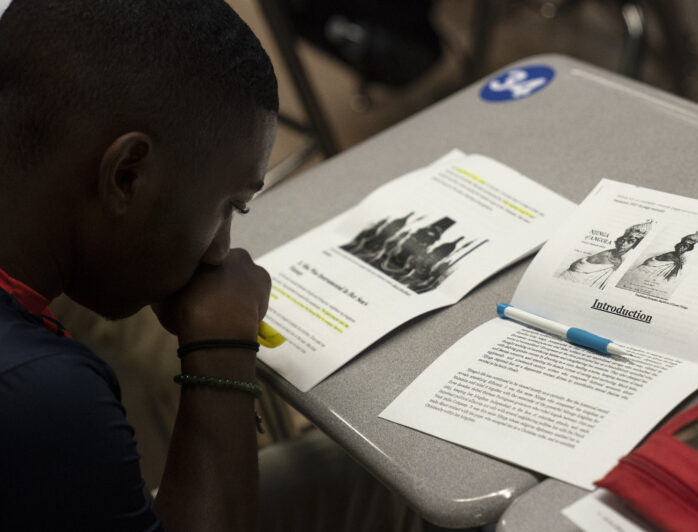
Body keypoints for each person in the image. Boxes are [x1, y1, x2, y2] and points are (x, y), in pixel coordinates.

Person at [0, 2, 417, 530]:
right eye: (231, 206)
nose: (221, 250)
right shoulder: (47, 395)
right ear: (127, 175)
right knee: (387, 488)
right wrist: (219, 350)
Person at [557, 220, 651, 289]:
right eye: (623, 239)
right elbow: (578, 272)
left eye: (630, 241)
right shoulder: (607, 255)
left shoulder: (621, 259)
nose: (624, 244)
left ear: (635, 245)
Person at [616, 231, 698, 299]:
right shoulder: (669, 255)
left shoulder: (679, 262)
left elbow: (671, 279)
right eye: (681, 244)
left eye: (685, 246)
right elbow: (648, 264)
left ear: (688, 249)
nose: (681, 247)